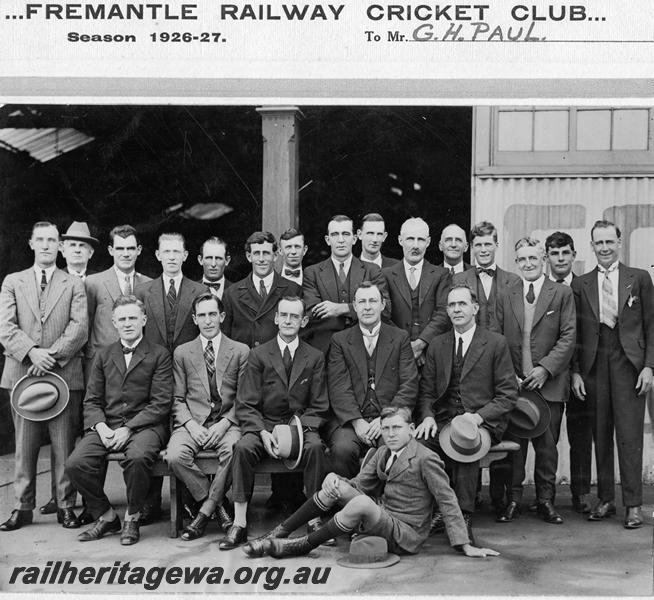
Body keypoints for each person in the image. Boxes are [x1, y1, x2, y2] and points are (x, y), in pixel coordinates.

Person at [242, 406, 499, 559]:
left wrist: (464, 544)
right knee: (335, 484)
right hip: (383, 515)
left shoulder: (426, 458)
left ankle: (300, 546)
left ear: (411, 428)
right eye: (386, 429)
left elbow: (447, 499)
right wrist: (336, 481)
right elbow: (359, 484)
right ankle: (281, 532)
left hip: (406, 533)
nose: (390, 434)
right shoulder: (381, 452)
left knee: (362, 503)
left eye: (397, 428)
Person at [0, 221, 88, 532]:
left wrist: (49, 356)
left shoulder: (73, 284)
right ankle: (22, 507)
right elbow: (6, 328)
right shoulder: (13, 281)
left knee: (63, 444)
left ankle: (65, 506)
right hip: (23, 373)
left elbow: (79, 328)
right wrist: (32, 353)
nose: (47, 245)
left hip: (63, 373)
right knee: (24, 445)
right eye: (41, 240)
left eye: (53, 240)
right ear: (31, 243)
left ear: (60, 246)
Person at [221, 296, 329, 550]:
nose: (289, 321)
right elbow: (246, 403)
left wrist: (295, 433)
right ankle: (239, 521)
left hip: (300, 427)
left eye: (295, 316)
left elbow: (320, 405)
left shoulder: (314, 357)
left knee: (315, 448)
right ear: (276, 318)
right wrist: (262, 432)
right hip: (264, 425)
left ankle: (314, 518)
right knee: (243, 448)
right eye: (284, 315)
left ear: (304, 321)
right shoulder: (259, 354)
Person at [65, 295, 173, 545]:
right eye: (122, 319)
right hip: (107, 425)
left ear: (143, 319)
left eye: (133, 318)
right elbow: (92, 400)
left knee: (136, 458)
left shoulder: (159, 354)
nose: (127, 323)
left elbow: (160, 403)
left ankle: (132, 517)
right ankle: (105, 515)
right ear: (114, 322)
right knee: (75, 463)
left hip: (145, 426)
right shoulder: (103, 355)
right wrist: (101, 427)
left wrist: (128, 428)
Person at [416, 284, 517, 537]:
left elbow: (508, 395)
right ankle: (435, 510)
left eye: (462, 304)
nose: (457, 309)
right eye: (452, 305)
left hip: (482, 421)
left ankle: (462, 517)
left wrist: (477, 416)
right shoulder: (438, 344)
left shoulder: (495, 343)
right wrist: (428, 416)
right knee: (417, 446)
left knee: (465, 441)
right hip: (443, 420)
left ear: (475, 308)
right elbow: (426, 392)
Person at [571, 220, 654, 529]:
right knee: (601, 434)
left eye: (609, 241)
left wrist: (649, 366)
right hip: (594, 366)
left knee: (630, 436)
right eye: (599, 243)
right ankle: (606, 498)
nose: (604, 248)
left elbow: (651, 324)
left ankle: (633, 505)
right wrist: (576, 372)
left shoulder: (640, 278)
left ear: (619, 242)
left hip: (629, 365)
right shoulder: (581, 284)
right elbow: (575, 332)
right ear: (592, 246)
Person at [492, 237, 576, 524]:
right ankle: (513, 500)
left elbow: (568, 336)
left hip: (549, 386)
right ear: (517, 263)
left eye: (533, 258)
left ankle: (545, 501)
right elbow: (496, 338)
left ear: (543, 260)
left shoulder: (561, 293)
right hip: (515, 387)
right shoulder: (506, 294)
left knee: (547, 447)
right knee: (515, 447)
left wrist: (545, 369)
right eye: (522, 259)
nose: (528, 264)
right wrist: (509, 375)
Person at [134, 232, 206, 523]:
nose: (173, 257)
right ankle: (150, 502)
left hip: (189, 376)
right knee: (153, 434)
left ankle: (191, 501)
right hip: (153, 377)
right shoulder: (144, 292)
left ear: (186, 256)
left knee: (186, 437)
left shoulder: (199, 290)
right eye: (167, 251)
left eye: (178, 251)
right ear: (158, 255)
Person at [166, 293, 249, 540]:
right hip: (192, 421)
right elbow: (177, 399)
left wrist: (224, 424)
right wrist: (191, 426)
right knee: (174, 455)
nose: (208, 320)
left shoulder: (240, 351)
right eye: (202, 315)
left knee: (234, 450)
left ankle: (203, 514)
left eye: (213, 314)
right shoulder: (182, 352)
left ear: (221, 316)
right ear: (194, 319)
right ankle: (217, 505)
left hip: (227, 420)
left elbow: (244, 399)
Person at [326, 282, 418, 478]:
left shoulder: (400, 338)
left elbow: (409, 384)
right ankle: (350, 502)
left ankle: (386, 505)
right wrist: (357, 422)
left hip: (388, 418)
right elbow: (338, 387)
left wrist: (386, 418)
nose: (367, 307)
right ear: (355, 306)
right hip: (351, 422)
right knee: (342, 449)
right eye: (362, 302)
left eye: (373, 301)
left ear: (382, 305)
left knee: (394, 447)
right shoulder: (340, 340)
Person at [545, 231, 592, 514]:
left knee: (580, 435)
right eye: (554, 253)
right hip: (551, 376)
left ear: (574, 255)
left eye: (565, 253)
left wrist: (578, 372)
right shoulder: (542, 289)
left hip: (580, 376)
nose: (560, 259)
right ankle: (546, 497)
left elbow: (584, 335)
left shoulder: (585, 288)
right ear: (547, 257)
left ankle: (581, 493)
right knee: (547, 438)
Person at [302, 214, 390, 353]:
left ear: (354, 239)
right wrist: (360, 313)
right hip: (325, 350)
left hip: (364, 349)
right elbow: (313, 313)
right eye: (335, 234)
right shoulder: (312, 272)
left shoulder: (372, 271)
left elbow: (385, 310)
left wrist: (343, 308)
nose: (341, 240)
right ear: (328, 240)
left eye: (346, 234)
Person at [383, 217, 450, 367]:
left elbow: (443, 313)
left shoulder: (441, 275)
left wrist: (421, 344)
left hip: (431, 355)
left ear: (428, 242)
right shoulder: (386, 275)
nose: (415, 245)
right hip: (396, 354)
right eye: (410, 239)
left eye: (420, 239)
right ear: (400, 240)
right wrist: (407, 347)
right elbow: (384, 314)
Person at [223, 231, 301, 348]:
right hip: (245, 362)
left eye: (265, 253)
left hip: (278, 363)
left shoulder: (292, 289)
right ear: (249, 257)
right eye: (256, 253)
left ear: (275, 256)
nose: (261, 259)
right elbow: (225, 338)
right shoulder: (231, 293)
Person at [454, 221, 520, 331]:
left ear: (496, 246)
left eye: (488, 244)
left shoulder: (513, 281)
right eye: (478, 245)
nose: (483, 250)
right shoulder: (459, 280)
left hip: (503, 346)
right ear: (472, 247)